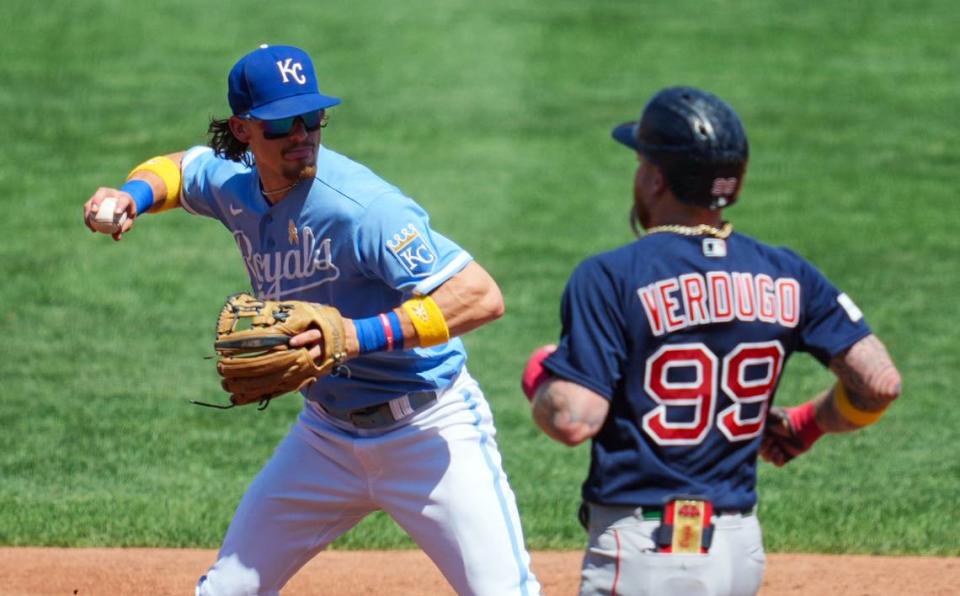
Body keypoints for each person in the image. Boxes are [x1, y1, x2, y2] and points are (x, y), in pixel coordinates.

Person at [82, 44, 541, 596]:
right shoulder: (234, 182)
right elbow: (180, 169)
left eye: (312, 117)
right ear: (245, 129)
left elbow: (480, 296)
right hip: (326, 437)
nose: (302, 134)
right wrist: (131, 195)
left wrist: (356, 334)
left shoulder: (362, 209)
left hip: (429, 429)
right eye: (282, 124)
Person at [520, 86, 901, 596]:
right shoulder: (788, 274)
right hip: (739, 550)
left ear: (656, 177)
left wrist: (544, 376)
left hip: (646, 549)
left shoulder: (610, 276)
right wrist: (807, 424)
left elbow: (572, 418)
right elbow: (880, 383)